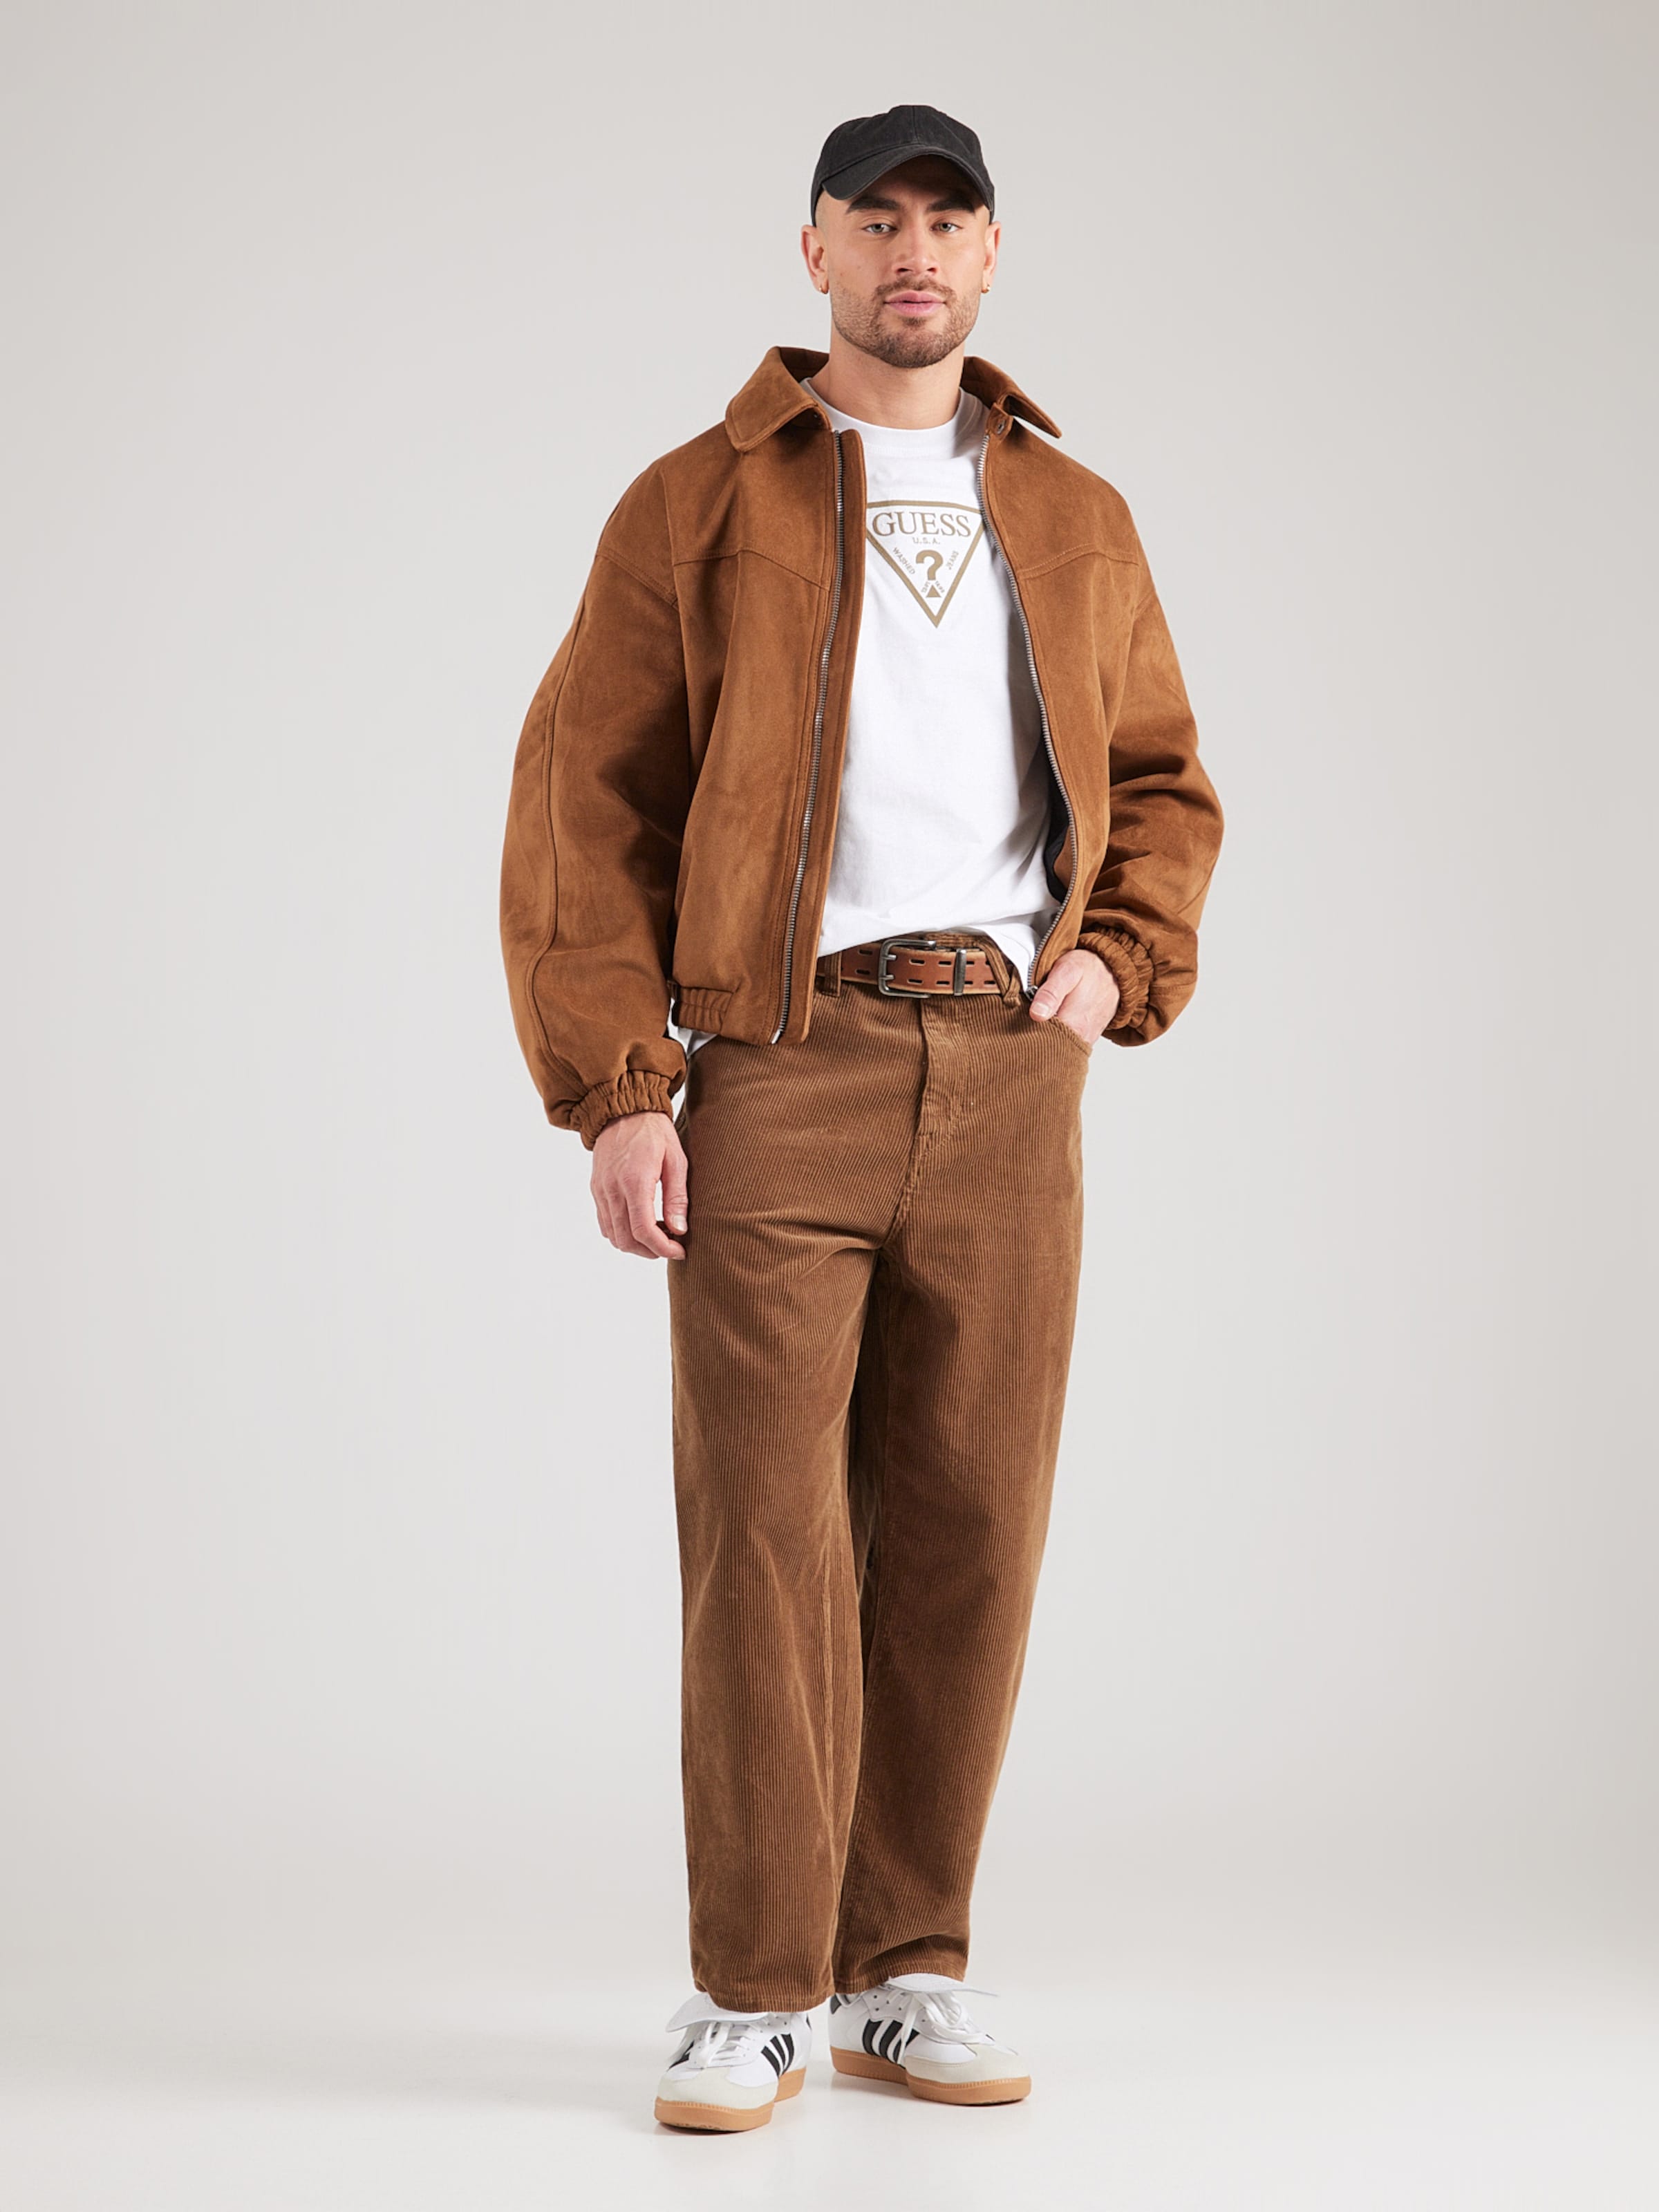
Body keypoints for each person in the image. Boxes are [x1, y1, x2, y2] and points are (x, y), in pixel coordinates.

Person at [500, 103, 1223, 2132]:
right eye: (875, 218)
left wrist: (1116, 965)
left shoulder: (1075, 511)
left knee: (975, 1523)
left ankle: (909, 1965)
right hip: (781, 1061)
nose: (915, 252)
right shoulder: (695, 502)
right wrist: (620, 1093)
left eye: (948, 219)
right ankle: (753, 1988)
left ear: (991, 255)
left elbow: (1164, 779)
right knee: (765, 1535)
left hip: (1008, 1070)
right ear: (812, 250)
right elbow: (582, 807)